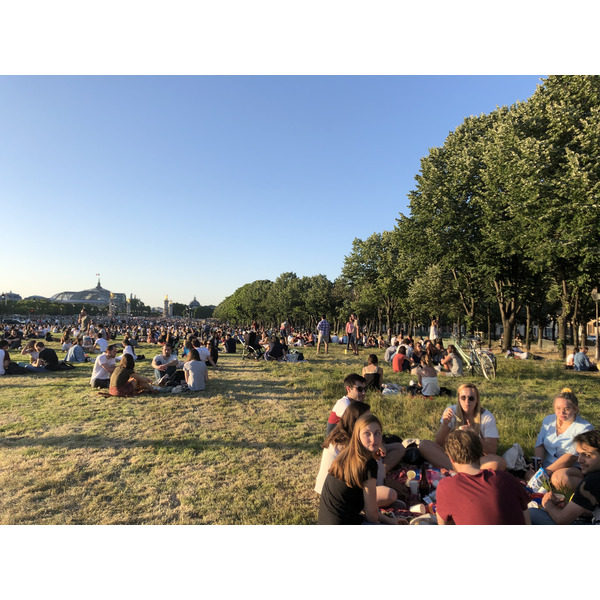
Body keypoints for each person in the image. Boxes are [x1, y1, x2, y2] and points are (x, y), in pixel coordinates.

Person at [318, 413, 405, 525]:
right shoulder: (368, 463)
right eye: (367, 434)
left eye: (377, 433)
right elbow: (371, 515)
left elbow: (367, 506)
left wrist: (388, 520)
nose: (373, 439)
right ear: (357, 435)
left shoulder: (347, 455)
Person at [436, 429, 530, 525]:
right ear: (480, 453)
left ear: (451, 459)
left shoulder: (446, 486)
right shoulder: (508, 479)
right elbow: (527, 521)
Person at [527, 388, 594, 492]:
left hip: (572, 467)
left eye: (566, 409)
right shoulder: (548, 420)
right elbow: (540, 444)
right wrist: (538, 464)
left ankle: (587, 488)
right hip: (547, 465)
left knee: (558, 478)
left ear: (575, 409)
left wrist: (545, 472)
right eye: (558, 408)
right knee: (529, 475)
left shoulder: (584, 428)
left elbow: (571, 456)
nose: (561, 412)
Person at [532, 430, 600, 525]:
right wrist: (571, 506)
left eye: (587, 455)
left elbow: (562, 519)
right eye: (579, 454)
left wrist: (548, 503)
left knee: (533, 514)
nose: (580, 460)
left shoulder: (592, 481)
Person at [434, 383, 505, 470]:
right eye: (463, 398)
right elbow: (438, 442)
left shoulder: (486, 417)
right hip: (453, 457)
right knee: (424, 445)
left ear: (477, 400)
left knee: (497, 462)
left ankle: (459, 470)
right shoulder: (451, 411)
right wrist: (444, 424)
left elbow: (492, 451)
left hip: (476, 459)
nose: (467, 402)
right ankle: (462, 470)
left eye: (471, 398)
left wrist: (474, 435)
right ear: (458, 398)